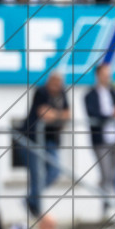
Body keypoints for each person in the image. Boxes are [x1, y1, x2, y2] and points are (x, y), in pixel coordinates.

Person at [84, 63, 115, 212]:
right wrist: (111, 113)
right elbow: (93, 114)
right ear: (98, 75)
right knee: (107, 173)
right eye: (105, 74)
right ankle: (106, 207)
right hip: (101, 141)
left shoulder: (114, 91)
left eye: (109, 74)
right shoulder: (90, 95)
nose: (107, 77)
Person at [25, 71, 70, 216]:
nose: (57, 86)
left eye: (59, 83)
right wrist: (59, 115)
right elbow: (43, 113)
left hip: (51, 139)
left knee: (55, 170)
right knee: (37, 174)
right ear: (49, 81)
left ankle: (32, 197)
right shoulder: (41, 92)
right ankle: (36, 209)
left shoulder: (62, 93)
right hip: (33, 139)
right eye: (55, 82)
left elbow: (68, 114)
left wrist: (55, 115)